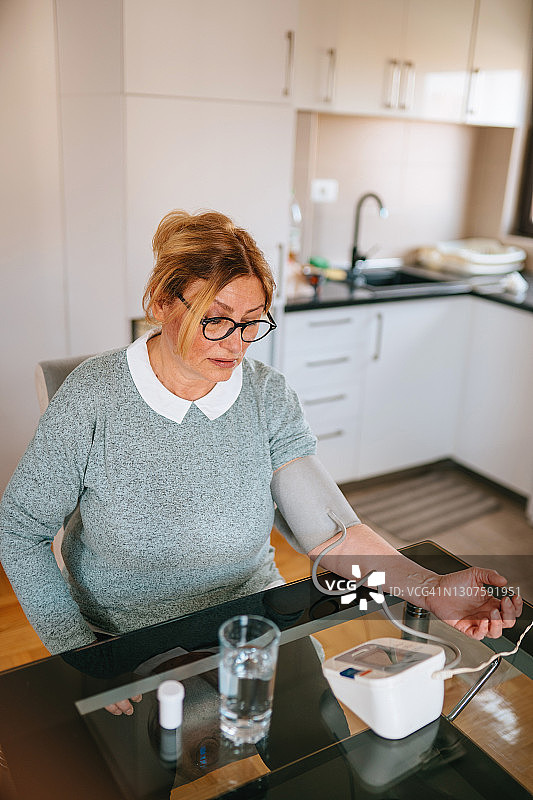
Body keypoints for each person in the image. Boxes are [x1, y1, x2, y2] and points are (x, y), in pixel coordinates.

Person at [0, 209, 522, 677]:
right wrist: (80, 652)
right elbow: (20, 531)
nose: (236, 344)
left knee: (326, 756)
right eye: (217, 319)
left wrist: (431, 589)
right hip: (131, 637)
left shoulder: (265, 395)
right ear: (161, 302)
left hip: (253, 616)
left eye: (253, 324)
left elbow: (332, 535)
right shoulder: (92, 397)